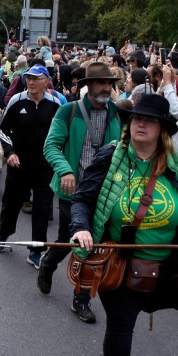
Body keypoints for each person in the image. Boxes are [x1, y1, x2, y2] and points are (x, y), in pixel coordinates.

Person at [70, 93, 178, 356]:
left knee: (128, 320)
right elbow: (83, 198)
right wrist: (82, 228)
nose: (140, 123)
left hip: (165, 266)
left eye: (150, 120)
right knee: (122, 322)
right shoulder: (111, 157)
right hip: (120, 262)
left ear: (162, 129)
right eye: (135, 118)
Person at [39, 62, 123, 323]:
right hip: (72, 190)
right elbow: (51, 145)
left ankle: (81, 297)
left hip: (106, 192)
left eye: (110, 83)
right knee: (70, 237)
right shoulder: (69, 110)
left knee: (93, 244)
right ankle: (48, 263)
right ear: (88, 85)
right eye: (101, 83)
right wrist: (65, 170)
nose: (107, 88)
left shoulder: (119, 114)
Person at [0, 64, 60, 268]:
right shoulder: (17, 100)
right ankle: (3, 235)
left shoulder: (56, 105)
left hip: (44, 167)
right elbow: (3, 131)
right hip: (18, 164)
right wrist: (10, 153)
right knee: (11, 203)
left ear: (46, 81)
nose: (30, 82)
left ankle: (36, 251)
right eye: (28, 78)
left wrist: (58, 161)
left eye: (36, 78)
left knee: (41, 209)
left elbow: (60, 135)